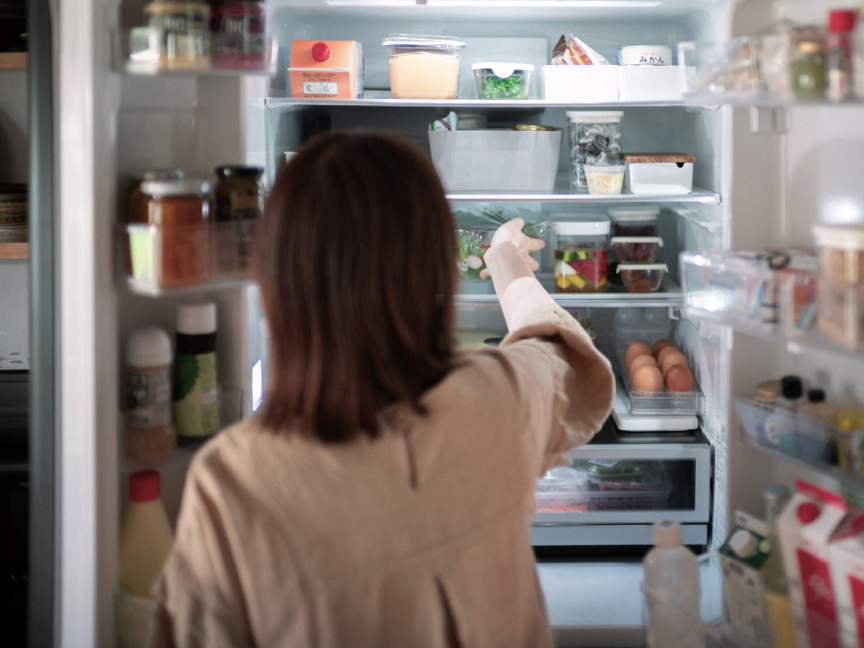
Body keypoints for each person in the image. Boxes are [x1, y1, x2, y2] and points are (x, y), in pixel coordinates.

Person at [151, 131, 615, 647]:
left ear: (277, 278)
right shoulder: (497, 398)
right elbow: (565, 355)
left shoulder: (236, 479)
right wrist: (504, 261)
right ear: (432, 270)